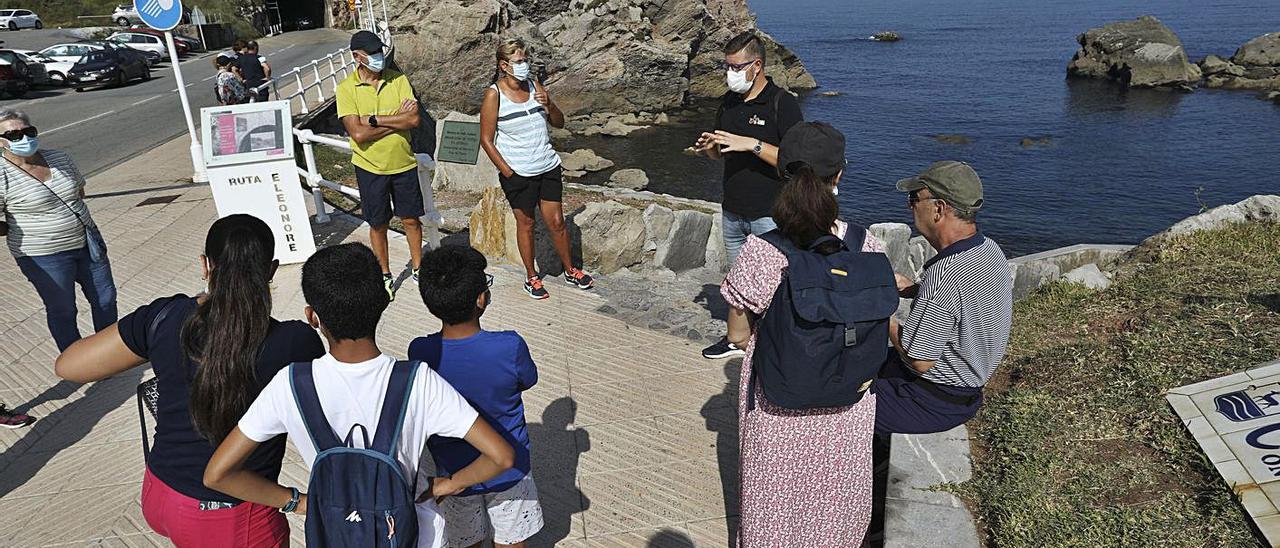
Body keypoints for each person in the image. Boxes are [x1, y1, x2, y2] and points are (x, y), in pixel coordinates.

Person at [203, 242, 515, 547]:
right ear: (382, 302)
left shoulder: (290, 383)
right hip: (412, 532)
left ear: (313, 317)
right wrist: (450, 483)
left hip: (337, 531)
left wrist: (296, 502)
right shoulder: (417, 381)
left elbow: (217, 475)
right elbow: (501, 456)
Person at [54, 214, 325, 547]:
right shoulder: (294, 342)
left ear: (205, 265)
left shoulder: (165, 317)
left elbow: (68, 366)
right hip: (232, 518)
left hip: (161, 493)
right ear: (270, 270)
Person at [720, 123, 878, 546]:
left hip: (779, 403)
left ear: (782, 174)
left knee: (775, 505)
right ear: (839, 176)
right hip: (849, 405)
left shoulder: (764, 250)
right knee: (836, 505)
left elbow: (737, 334)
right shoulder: (867, 244)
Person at [408, 245, 544, 548]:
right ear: (481, 299)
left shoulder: (420, 351)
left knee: (465, 540)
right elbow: (528, 380)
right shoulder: (510, 346)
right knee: (511, 541)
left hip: (452, 470)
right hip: (511, 468)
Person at [875, 161, 1013, 434]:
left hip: (927, 401)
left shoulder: (945, 273)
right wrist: (917, 290)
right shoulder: (988, 250)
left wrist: (879, 315)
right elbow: (967, 300)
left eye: (914, 199)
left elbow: (920, 361)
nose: (909, 207)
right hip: (965, 392)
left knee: (832, 401)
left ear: (938, 209)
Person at [0, 108, 117, 428]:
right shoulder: (1, 173)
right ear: (1, 142)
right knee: (63, 309)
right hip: (43, 256)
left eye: (27, 130)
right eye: (12, 135)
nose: (23, 138)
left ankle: (111, 355)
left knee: (105, 299)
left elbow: (78, 191)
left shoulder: (59, 158)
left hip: (86, 241)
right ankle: (81, 363)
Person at [695, 31, 803, 359]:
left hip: (770, 213)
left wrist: (752, 145)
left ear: (756, 66)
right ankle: (737, 340)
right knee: (738, 281)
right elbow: (722, 155)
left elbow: (795, 162)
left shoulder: (782, 103)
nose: (729, 73)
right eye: (726, 66)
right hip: (733, 210)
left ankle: (773, 345)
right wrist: (710, 150)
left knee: (772, 284)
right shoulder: (727, 103)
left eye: (735, 66)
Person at [479, 38, 593, 300]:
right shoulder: (493, 95)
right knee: (526, 223)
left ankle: (570, 270)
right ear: (504, 65)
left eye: (526, 60)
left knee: (557, 223)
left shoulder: (535, 86)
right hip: (518, 172)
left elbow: (560, 123)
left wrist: (549, 103)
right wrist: (508, 172)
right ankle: (531, 277)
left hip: (548, 166)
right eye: (519, 61)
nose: (524, 66)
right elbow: (486, 139)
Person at [336, 30, 425, 301]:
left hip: (403, 164)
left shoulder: (398, 79)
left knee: (411, 219)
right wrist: (395, 118)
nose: (379, 57)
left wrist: (373, 119)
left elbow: (414, 121)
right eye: (373, 54)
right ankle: (385, 274)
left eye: (380, 52)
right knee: (378, 224)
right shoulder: (345, 89)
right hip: (370, 168)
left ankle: (419, 268)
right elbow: (358, 135)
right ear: (357, 57)